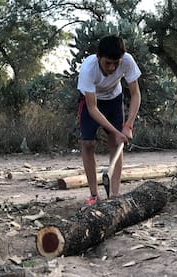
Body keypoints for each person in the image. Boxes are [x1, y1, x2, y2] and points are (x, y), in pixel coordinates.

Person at [77, 35, 142, 205]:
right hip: (91, 101)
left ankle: (114, 194)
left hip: (114, 99)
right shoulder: (88, 70)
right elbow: (92, 108)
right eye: (107, 63)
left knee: (115, 143)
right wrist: (117, 130)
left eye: (116, 63)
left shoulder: (127, 61)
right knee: (88, 144)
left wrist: (128, 126)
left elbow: (135, 94)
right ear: (98, 57)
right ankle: (94, 195)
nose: (112, 68)